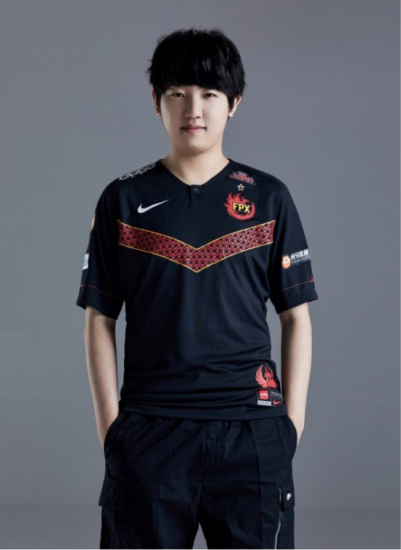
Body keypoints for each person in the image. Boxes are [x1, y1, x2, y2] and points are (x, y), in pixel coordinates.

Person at [76, 26, 318, 549]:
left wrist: (290, 426)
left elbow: (296, 316)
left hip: (252, 432)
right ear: (156, 102)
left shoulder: (270, 198)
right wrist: (112, 429)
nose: (194, 109)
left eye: (209, 94)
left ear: (234, 103)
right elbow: (99, 317)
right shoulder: (123, 199)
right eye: (177, 93)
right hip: (149, 432)